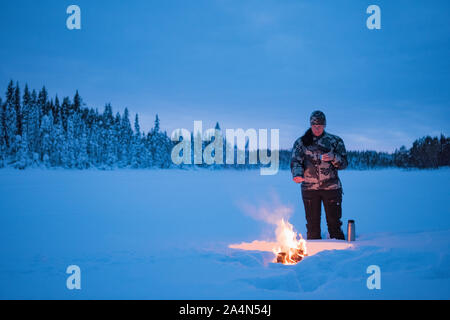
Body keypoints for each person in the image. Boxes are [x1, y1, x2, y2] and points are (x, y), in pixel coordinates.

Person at [290, 110, 348, 240]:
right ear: (310, 125)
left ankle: (339, 254)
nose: (317, 129)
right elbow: (296, 161)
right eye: (314, 126)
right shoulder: (301, 142)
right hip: (309, 188)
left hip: (331, 188)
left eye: (320, 126)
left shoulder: (334, 141)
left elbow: (344, 163)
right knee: (312, 226)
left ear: (324, 125)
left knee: (334, 224)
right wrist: (297, 174)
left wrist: (334, 157)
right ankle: (314, 258)